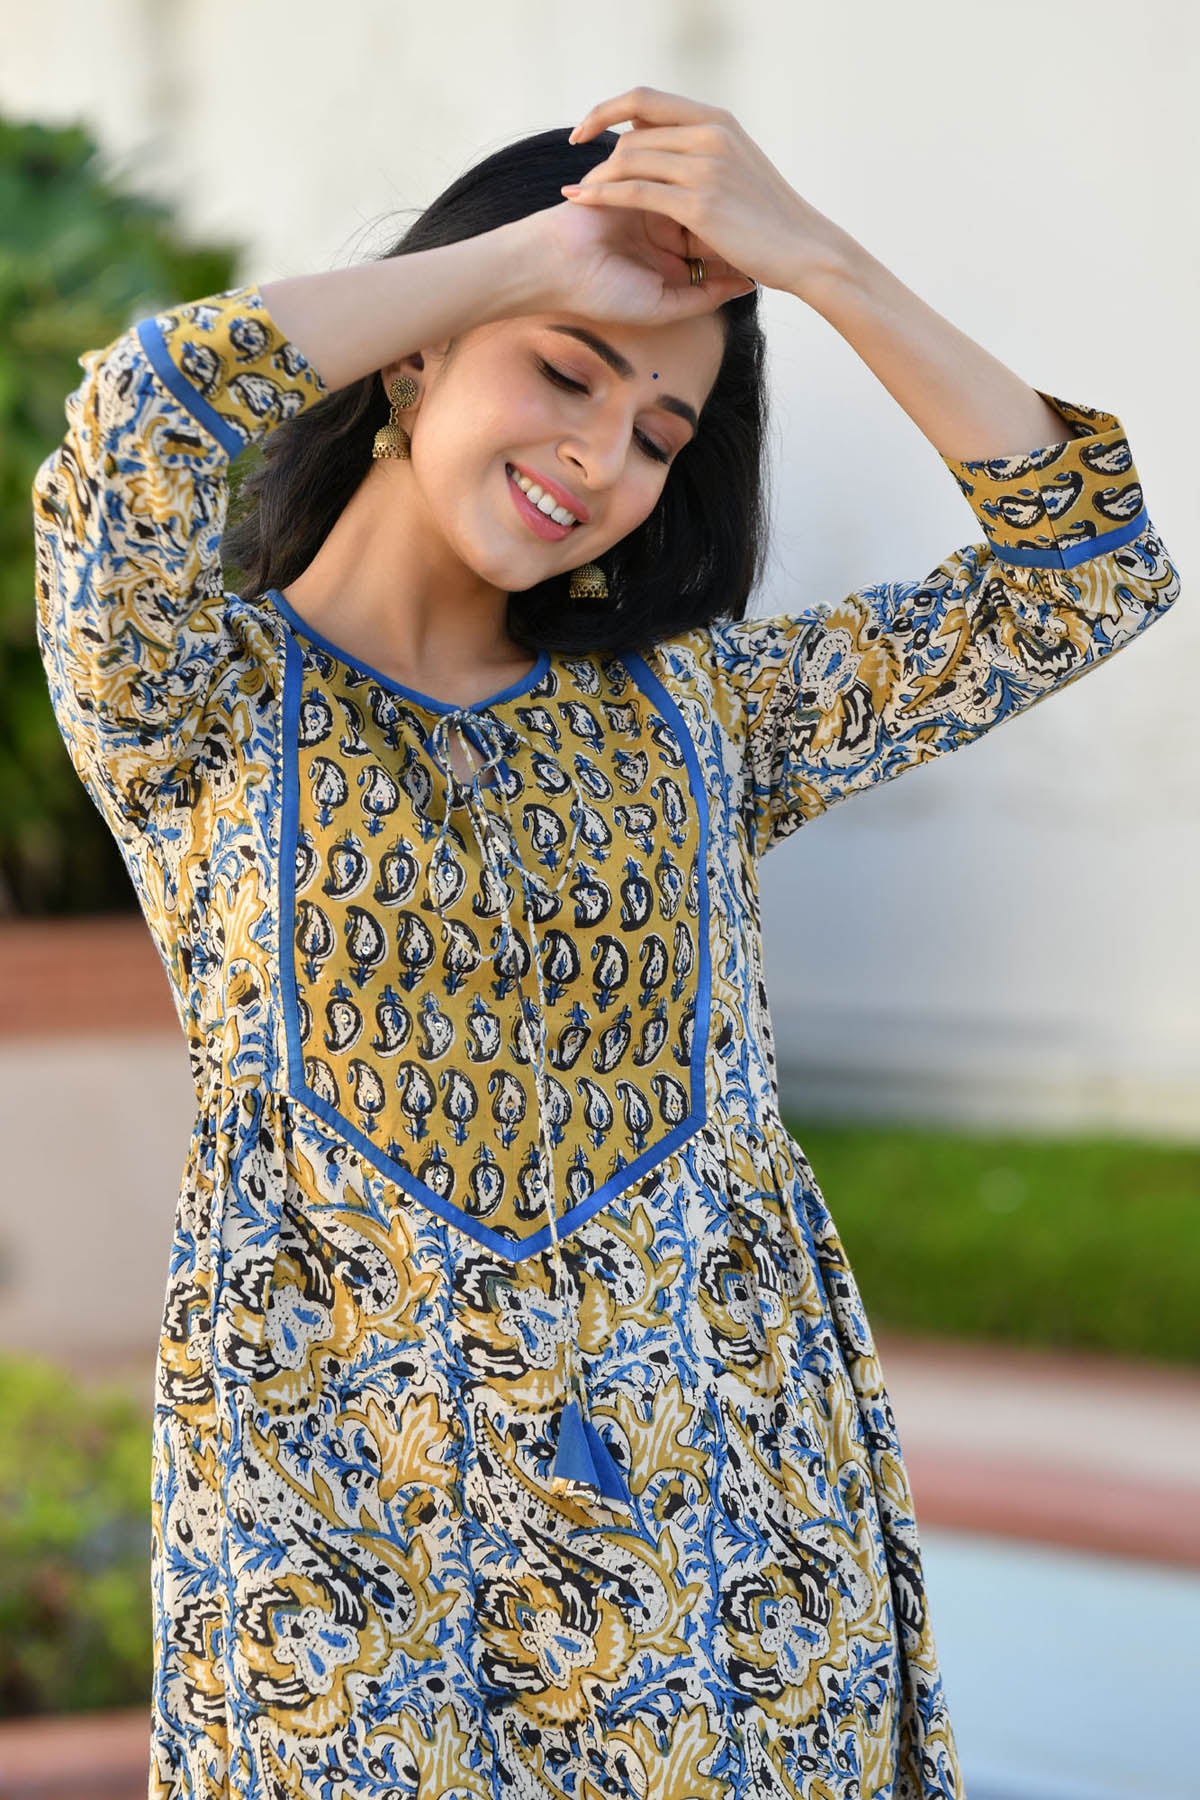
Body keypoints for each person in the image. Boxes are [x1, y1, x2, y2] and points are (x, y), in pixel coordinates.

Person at [31, 82, 1179, 1800]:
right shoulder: (199, 701)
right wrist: (532, 255)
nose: (600, 458)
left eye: (658, 435)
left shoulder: (700, 717)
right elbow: (136, 425)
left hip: (729, 1559)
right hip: (351, 1569)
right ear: (417, 356)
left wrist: (818, 260)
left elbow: (1087, 568)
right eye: (566, 370)